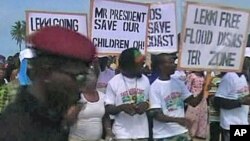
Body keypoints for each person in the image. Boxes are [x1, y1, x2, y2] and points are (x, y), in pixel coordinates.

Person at [0, 26, 96, 141]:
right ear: (45, 71)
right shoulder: (15, 129)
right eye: (78, 77)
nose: (80, 89)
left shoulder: (49, 117)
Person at [149, 53, 204, 141]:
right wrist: (178, 120)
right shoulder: (154, 87)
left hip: (181, 132)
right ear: (161, 66)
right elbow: (157, 115)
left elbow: (193, 102)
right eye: (170, 62)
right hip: (164, 135)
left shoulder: (178, 83)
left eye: (174, 62)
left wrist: (204, 88)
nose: (174, 65)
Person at [105, 48, 150, 141]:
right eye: (140, 63)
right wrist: (121, 108)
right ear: (129, 65)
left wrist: (146, 105)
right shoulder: (114, 82)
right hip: (122, 134)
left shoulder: (145, 80)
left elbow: (151, 101)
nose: (143, 64)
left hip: (142, 133)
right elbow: (108, 108)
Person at [69, 60, 113, 141]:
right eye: (86, 76)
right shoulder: (77, 96)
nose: (89, 78)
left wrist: (109, 132)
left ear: (96, 78)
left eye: (91, 75)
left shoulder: (102, 96)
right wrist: (77, 107)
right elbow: (68, 121)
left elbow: (105, 117)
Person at [214, 58, 250, 141]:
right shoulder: (229, 77)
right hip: (230, 124)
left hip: (242, 122)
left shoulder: (243, 77)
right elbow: (218, 101)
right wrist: (241, 102)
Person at [185, 71, 208, 139]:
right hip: (194, 96)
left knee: (202, 115)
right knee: (192, 116)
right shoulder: (191, 75)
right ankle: (191, 132)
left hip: (202, 97)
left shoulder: (204, 75)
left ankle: (200, 133)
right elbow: (188, 87)